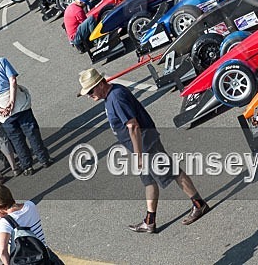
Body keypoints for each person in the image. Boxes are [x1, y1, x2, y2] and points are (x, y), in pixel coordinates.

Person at [77, 68, 210, 232]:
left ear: (100, 84)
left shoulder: (116, 97)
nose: (90, 95)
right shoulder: (112, 94)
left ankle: (199, 204)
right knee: (148, 181)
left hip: (145, 144)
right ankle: (149, 221)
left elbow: (133, 126)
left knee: (173, 171)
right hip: (140, 147)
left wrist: (139, 155)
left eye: (90, 91)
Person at [0, 41, 51, 174]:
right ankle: (44, 159)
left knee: (16, 139)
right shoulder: (1, 61)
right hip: (19, 103)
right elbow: (13, 81)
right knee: (32, 132)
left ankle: (27, 166)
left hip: (1, 110)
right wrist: (12, 101)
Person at [0, 182, 65, 265]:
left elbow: (2, 252)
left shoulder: (5, 223)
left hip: (26, 261)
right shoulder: (30, 205)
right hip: (46, 256)